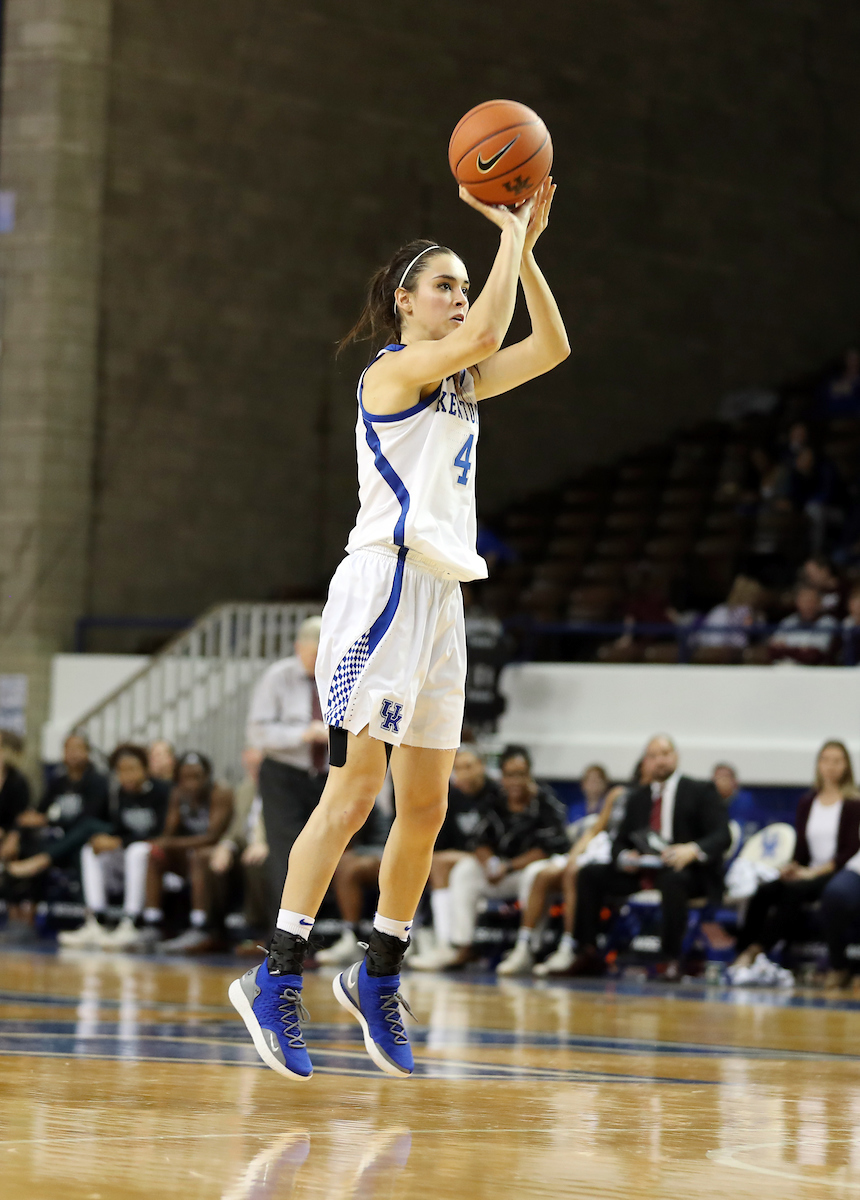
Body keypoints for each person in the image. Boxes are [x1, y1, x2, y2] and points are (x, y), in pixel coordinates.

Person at [228, 175, 569, 1082]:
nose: (459, 296)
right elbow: (491, 333)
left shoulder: (457, 378)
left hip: (443, 599)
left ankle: (377, 977)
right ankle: (276, 976)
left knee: (427, 806)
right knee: (353, 792)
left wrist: (524, 249)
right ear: (404, 303)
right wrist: (505, 230)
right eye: (445, 285)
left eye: (464, 284)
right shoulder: (392, 371)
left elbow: (551, 347)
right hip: (381, 589)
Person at [569, 734, 730, 982]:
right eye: (653, 756)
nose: (660, 761)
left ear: (675, 757)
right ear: (646, 762)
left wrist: (692, 850)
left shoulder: (699, 790)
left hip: (687, 872)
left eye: (664, 754)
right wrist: (625, 857)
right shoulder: (638, 798)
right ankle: (587, 952)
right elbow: (618, 842)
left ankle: (670, 958)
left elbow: (722, 835)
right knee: (590, 874)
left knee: (673, 879)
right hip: (644, 871)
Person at [728, 741, 860, 985]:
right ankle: (741, 951)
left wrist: (813, 873)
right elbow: (802, 848)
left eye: (837, 761)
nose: (830, 767)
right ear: (818, 764)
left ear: (846, 766)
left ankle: (757, 951)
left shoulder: (853, 803)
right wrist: (793, 866)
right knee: (766, 890)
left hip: (835, 872)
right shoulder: (808, 801)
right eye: (826, 760)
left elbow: (849, 851)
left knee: (794, 892)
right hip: (809, 870)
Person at [440, 745, 570, 971]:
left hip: (528, 870)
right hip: (500, 871)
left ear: (529, 775)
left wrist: (508, 866)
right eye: (510, 775)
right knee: (465, 870)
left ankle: (527, 948)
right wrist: (491, 863)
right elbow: (478, 840)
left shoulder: (545, 802)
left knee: (534, 874)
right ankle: (462, 945)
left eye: (521, 774)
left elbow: (548, 847)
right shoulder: (494, 801)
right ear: (502, 777)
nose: (515, 781)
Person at [533, 758, 650, 977]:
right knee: (557, 874)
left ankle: (569, 945)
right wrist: (574, 855)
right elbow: (598, 829)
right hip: (612, 856)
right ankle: (534, 947)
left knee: (577, 874)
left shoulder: (661, 801)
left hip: (641, 866)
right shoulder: (621, 795)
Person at [245, 616, 329, 909]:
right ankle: (282, 935)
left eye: (325, 652)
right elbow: (259, 731)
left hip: (327, 776)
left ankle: (317, 931)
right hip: (284, 774)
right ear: (298, 648)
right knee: (286, 852)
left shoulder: (341, 675)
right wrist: (302, 735)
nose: (319, 659)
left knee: (322, 850)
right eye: (313, 653)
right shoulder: (277, 676)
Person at [496, 762, 611, 975]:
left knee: (571, 873)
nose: (593, 785)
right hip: (572, 854)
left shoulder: (611, 803)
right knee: (540, 875)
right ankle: (525, 945)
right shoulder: (575, 808)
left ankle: (568, 947)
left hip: (596, 858)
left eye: (598, 780)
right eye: (589, 780)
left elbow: (596, 834)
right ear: (582, 784)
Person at [57, 743, 171, 949]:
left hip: (157, 861)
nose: (126, 776)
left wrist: (119, 841)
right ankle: (96, 920)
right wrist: (106, 839)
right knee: (91, 850)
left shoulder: (163, 792)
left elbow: (162, 833)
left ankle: (131, 922)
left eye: (132, 769)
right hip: (127, 861)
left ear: (145, 769)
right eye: (121, 771)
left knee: (137, 850)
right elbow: (121, 829)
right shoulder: (119, 794)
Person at [407, 745, 504, 970]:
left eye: (469, 766)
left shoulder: (497, 794)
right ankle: (425, 936)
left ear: (482, 767)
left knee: (440, 863)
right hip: (464, 858)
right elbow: (442, 842)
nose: (464, 773)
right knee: (427, 861)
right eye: (458, 768)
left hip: (495, 860)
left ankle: (446, 943)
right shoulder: (452, 797)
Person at [136, 751, 233, 950]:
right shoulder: (178, 794)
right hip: (188, 854)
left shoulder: (220, 793)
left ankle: (200, 926)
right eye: (186, 777)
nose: (192, 783)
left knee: (198, 856)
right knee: (154, 855)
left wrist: (168, 844)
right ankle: (152, 923)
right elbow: (169, 833)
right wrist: (161, 846)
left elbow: (212, 837)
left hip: (217, 856)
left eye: (197, 777)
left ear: (207, 777)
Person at [205, 747, 272, 957]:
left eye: (258, 766)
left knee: (256, 859)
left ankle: (260, 931)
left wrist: (265, 843)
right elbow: (235, 828)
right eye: (250, 766)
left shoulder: (283, 790)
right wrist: (225, 846)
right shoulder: (244, 789)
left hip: (275, 848)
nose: (254, 771)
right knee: (210, 859)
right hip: (246, 847)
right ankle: (214, 931)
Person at [768, 584, 838, 665]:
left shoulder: (828, 621)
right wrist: (801, 649)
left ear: (819, 603)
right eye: (803, 601)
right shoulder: (789, 621)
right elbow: (773, 650)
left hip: (815, 671)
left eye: (811, 601)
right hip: (786, 668)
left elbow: (814, 655)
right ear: (797, 602)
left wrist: (787, 648)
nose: (807, 605)